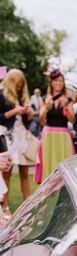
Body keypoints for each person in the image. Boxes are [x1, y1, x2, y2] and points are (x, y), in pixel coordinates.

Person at [0, 68, 34, 212]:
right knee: (6, 170)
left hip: (21, 135)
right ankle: (5, 206)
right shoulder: (1, 94)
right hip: (7, 136)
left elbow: (28, 121)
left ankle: (28, 207)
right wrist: (14, 111)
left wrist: (29, 113)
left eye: (21, 85)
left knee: (25, 172)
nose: (19, 87)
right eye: (17, 84)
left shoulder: (22, 96)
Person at [35, 68, 75, 182]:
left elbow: (72, 121)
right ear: (51, 82)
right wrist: (46, 108)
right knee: (47, 163)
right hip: (48, 136)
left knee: (65, 164)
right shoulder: (43, 99)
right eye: (56, 80)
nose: (59, 83)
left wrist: (66, 107)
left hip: (63, 136)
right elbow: (41, 121)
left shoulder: (68, 99)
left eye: (61, 81)